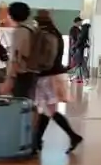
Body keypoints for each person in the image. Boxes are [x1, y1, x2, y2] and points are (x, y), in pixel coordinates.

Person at [32, 10, 83, 153]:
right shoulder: (54, 32)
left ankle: (72, 136)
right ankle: (37, 141)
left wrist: (38, 68)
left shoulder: (46, 34)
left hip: (48, 76)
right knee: (47, 109)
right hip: (54, 74)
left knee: (49, 110)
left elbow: (47, 59)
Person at [0, 2, 42, 99]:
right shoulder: (33, 29)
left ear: (11, 16)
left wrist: (10, 78)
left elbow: (16, 56)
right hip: (33, 71)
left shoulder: (19, 31)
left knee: (19, 102)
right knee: (28, 102)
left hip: (21, 73)